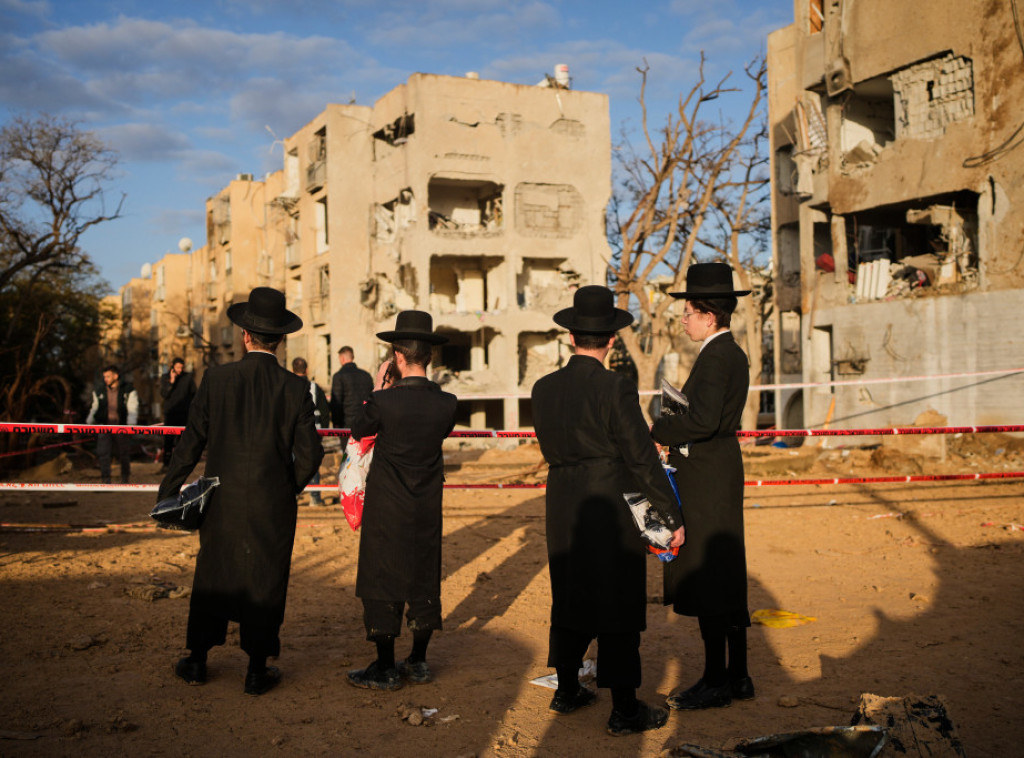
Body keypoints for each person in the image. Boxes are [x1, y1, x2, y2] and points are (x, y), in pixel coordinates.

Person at [531, 285, 686, 736]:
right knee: (616, 602)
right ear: (612, 340)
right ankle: (624, 709)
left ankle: (566, 689)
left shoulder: (543, 388)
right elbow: (640, 457)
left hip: (561, 499)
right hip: (608, 498)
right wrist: (670, 516)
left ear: (571, 337)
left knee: (571, 594)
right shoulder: (615, 386)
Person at [158, 287, 324, 696]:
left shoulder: (216, 379)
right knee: (266, 579)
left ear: (245, 335)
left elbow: (190, 442)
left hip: (221, 498)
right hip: (273, 503)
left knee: (214, 574)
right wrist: (287, 489)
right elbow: (311, 453)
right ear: (280, 340)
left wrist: (168, 491)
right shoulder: (295, 387)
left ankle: (197, 661)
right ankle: (255, 669)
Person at [650, 262, 753, 710]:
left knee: (712, 577)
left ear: (709, 315)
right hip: (718, 470)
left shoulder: (717, 357)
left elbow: (704, 420)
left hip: (707, 476)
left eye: (688, 312)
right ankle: (739, 675)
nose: (684, 319)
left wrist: (660, 430)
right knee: (726, 576)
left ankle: (716, 678)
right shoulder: (727, 353)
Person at [346, 311, 457, 691]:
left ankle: (385, 667)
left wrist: (377, 388)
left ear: (396, 355)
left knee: (381, 579)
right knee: (424, 577)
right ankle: (420, 662)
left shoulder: (383, 402)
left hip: (387, 505)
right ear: (431, 357)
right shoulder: (448, 403)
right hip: (426, 505)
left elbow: (359, 427)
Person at [85, 365, 139, 484]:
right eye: (104, 376)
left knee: (124, 453)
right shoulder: (99, 390)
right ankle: (105, 480)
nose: (106, 379)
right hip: (104, 426)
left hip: (122, 427)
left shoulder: (128, 389)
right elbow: (95, 408)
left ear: (116, 376)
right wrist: (89, 422)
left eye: (108, 376)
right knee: (103, 453)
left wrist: (131, 425)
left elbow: (132, 408)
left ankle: (125, 479)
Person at [291, 357, 330, 505]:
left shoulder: (288, 386)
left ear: (293, 370)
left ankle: (293, 495)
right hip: (313, 432)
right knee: (312, 463)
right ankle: (315, 497)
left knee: (291, 463)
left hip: (293, 433)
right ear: (306, 370)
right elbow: (325, 411)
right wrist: (323, 432)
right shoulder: (314, 387)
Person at [159, 357, 196, 469]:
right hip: (170, 413)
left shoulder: (188, 377)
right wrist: (171, 382)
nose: (179, 369)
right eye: (177, 367)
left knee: (182, 441)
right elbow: (164, 394)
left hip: (184, 413)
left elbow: (194, 394)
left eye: (181, 367)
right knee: (168, 440)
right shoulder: (165, 377)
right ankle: (166, 464)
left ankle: (179, 464)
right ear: (173, 366)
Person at [330, 346, 374, 430]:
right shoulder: (366, 375)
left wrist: (336, 423)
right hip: (365, 421)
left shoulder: (339, 376)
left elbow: (336, 403)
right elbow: (372, 398)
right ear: (352, 357)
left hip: (346, 423)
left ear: (342, 358)